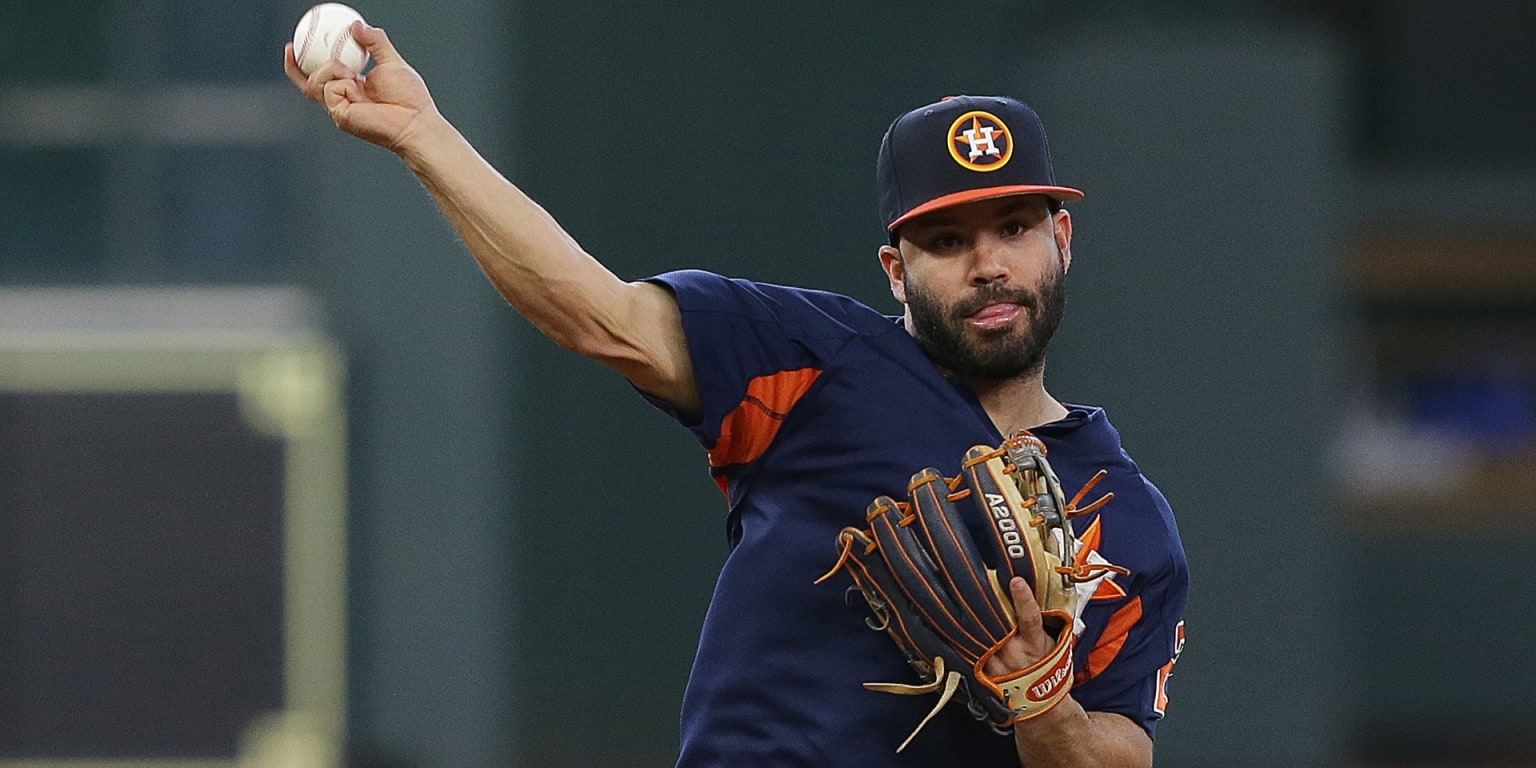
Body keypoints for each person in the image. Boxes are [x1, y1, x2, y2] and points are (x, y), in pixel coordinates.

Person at [286, 22, 1188, 768]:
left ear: (1062, 237)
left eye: (1015, 227)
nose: (990, 264)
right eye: (947, 240)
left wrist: (1043, 697)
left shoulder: (1127, 519)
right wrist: (421, 136)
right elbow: (599, 315)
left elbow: (1120, 752)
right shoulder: (818, 363)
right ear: (897, 271)